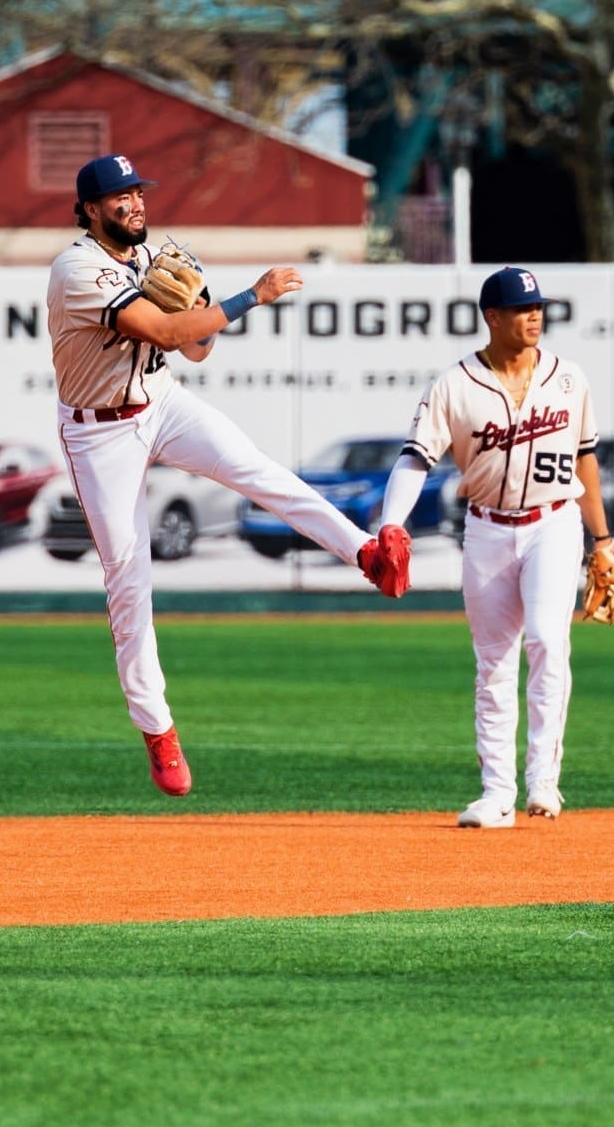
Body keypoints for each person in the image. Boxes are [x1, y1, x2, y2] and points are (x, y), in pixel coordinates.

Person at [48, 153, 410, 797]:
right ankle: (158, 731)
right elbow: (158, 328)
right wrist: (249, 296)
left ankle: (364, 552)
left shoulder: (144, 257)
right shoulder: (77, 268)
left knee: (256, 468)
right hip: (98, 430)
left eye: (138, 192)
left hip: (160, 401)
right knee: (129, 578)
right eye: (119, 197)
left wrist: (203, 296)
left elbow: (194, 345)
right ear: (89, 209)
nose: (134, 203)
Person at [376, 266, 614, 828]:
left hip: (554, 523)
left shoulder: (568, 378)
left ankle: (543, 780)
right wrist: (392, 523)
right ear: (492, 316)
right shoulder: (455, 384)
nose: (534, 316)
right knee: (492, 663)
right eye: (521, 308)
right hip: (486, 528)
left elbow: (586, 458)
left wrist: (603, 538)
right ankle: (496, 793)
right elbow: (417, 456)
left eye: (538, 307)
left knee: (546, 640)